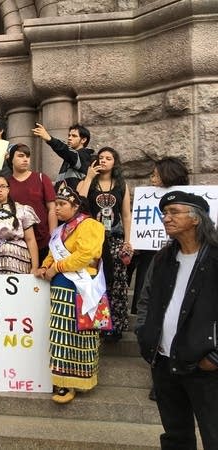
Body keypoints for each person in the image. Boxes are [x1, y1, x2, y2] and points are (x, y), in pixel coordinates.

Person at [135, 191, 218, 449]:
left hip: (205, 365)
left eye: (174, 213)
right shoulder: (163, 259)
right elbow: (146, 300)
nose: (166, 218)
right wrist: (145, 334)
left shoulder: (215, 257)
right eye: (164, 213)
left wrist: (215, 356)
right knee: (175, 436)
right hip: (164, 362)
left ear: (196, 219)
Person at [33, 183, 106, 404]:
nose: (56, 208)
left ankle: (75, 381)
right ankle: (63, 380)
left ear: (76, 206)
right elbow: (51, 256)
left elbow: (86, 254)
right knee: (61, 334)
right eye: (55, 204)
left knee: (79, 334)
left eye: (62, 204)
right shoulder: (60, 230)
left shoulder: (90, 225)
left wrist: (58, 267)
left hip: (82, 287)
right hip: (61, 286)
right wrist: (45, 267)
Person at [76, 147, 132, 342]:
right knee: (95, 281)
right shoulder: (89, 183)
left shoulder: (121, 184)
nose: (104, 161)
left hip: (115, 238)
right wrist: (89, 177)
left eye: (108, 158)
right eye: (101, 158)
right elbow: (78, 200)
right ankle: (96, 322)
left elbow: (126, 214)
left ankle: (115, 325)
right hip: (92, 238)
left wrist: (128, 240)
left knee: (116, 281)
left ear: (114, 162)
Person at [132, 157, 190, 314]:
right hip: (150, 258)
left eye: (155, 175)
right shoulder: (146, 199)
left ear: (168, 175)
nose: (152, 180)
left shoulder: (190, 201)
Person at [7, 143, 57, 264]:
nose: (25, 159)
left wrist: (53, 237)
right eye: (20, 156)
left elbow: (52, 208)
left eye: (28, 156)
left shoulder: (41, 178)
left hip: (43, 241)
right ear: (10, 158)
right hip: (17, 243)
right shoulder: (5, 183)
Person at [32, 122, 95, 189]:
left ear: (83, 140)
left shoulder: (84, 156)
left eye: (74, 136)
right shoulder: (71, 157)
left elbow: (65, 150)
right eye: (69, 135)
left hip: (74, 198)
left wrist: (49, 138)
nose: (69, 138)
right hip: (62, 198)